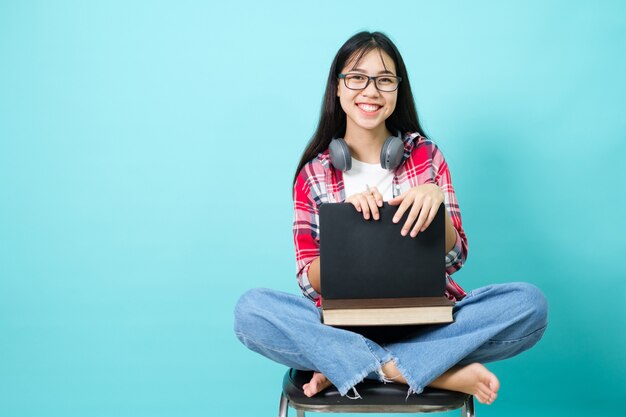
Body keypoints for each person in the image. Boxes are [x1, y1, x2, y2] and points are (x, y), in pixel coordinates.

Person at [233, 31, 548, 405]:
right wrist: (348, 232)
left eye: (384, 80)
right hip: (341, 327)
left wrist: (437, 207)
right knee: (251, 311)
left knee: (529, 304)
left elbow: (456, 259)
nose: (370, 91)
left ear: (398, 89)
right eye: (357, 77)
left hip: (426, 324)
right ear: (337, 87)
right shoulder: (314, 174)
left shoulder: (426, 157)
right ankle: (413, 368)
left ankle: (354, 366)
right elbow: (308, 281)